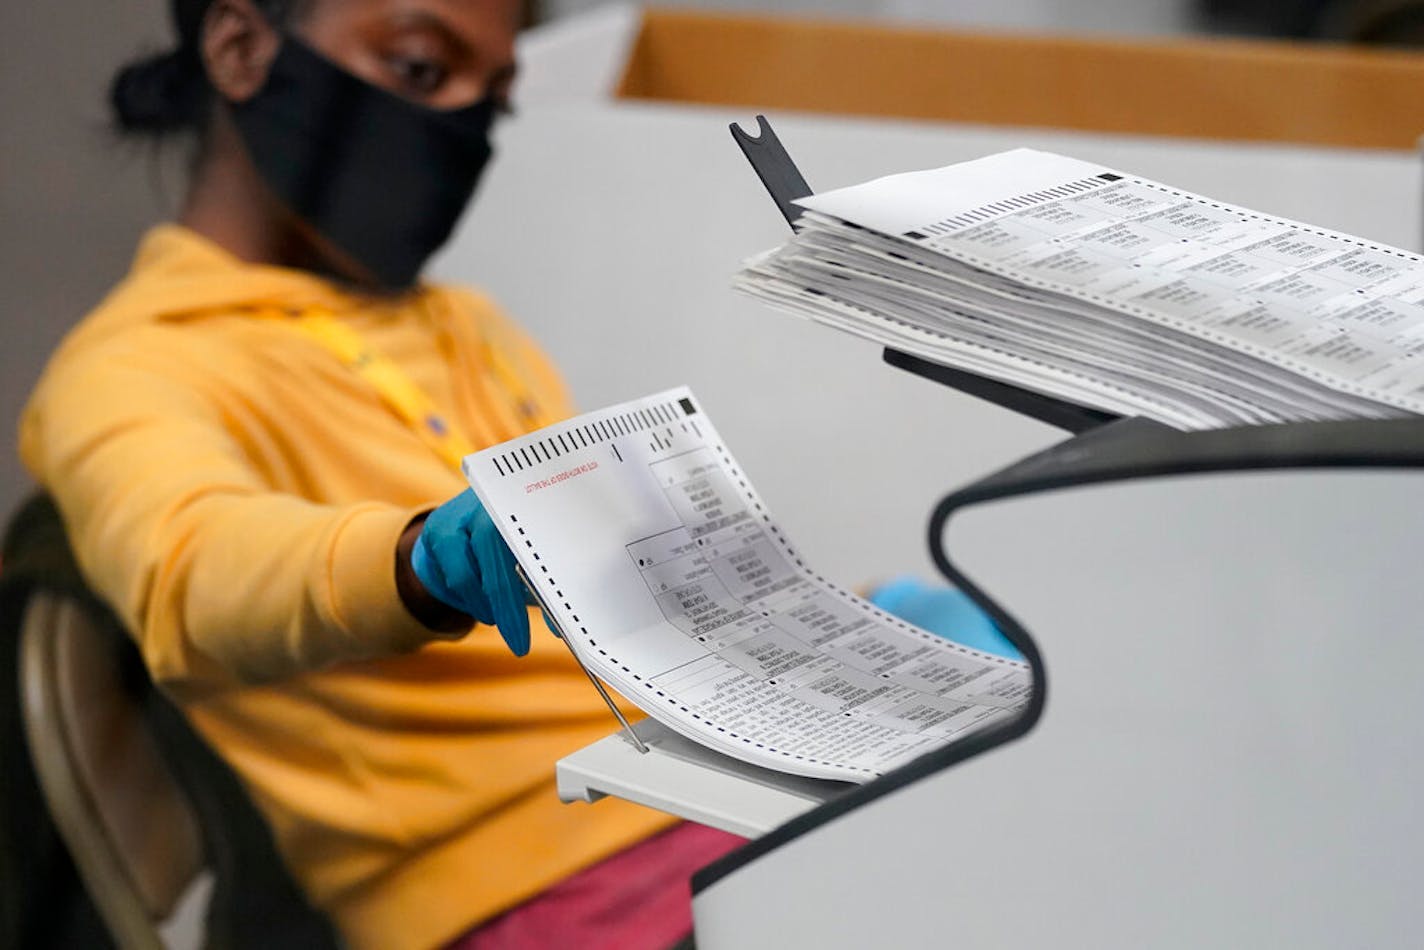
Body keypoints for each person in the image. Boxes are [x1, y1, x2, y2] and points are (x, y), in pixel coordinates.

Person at [19, 1, 1017, 947]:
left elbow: (637, 593)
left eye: (490, 99)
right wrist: (413, 560)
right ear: (240, 48)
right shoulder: (127, 371)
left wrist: (861, 626)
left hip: (719, 787)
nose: (457, 127)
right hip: (528, 893)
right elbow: (195, 575)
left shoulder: (466, 324)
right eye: (418, 68)